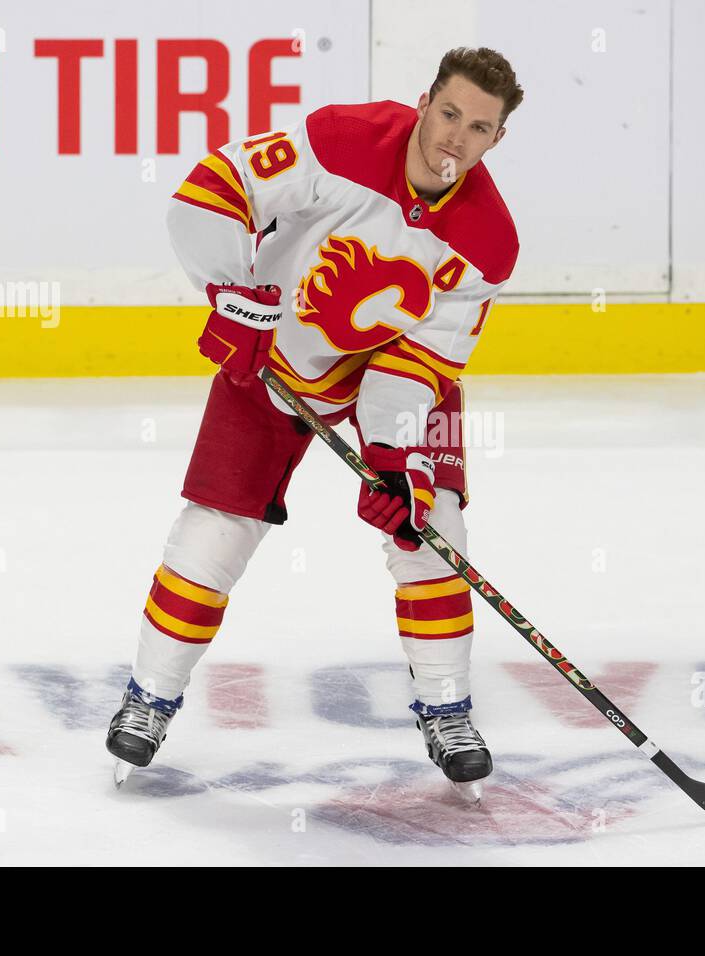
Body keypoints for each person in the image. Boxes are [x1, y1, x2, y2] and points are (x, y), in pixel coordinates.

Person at [106, 47, 522, 800]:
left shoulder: (489, 242)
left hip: (387, 376)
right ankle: (149, 695)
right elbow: (211, 191)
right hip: (268, 349)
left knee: (431, 529)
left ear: (498, 140)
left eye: (480, 127)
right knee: (214, 533)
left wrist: (392, 455)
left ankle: (447, 708)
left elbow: (425, 361)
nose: (456, 138)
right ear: (425, 100)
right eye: (451, 113)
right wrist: (234, 296)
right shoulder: (342, 139)